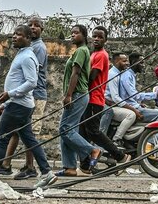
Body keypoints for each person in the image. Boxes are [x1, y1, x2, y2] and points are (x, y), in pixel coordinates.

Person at [0, 25, 57, 188]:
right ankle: (47, 172)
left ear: (27, 38)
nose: (14, 37)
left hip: (19, 105)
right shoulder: (22, 54)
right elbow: (18, 80)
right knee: (29, 139)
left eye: (18, 35)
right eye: (14, 34)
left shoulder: (27, 57)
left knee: (1, 139)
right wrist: (6, 102)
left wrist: (10, 95)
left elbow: (31, 82)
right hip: (18, 104)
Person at [2, 15, 48, 180]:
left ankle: (30, 166)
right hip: (25, 95)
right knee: (19, 131)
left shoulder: (37, 48)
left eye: (37, 25)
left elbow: (31, 79)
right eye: (31, 25)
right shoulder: (27, 48)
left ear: (41, 29)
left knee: (29, 133)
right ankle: (6, 164)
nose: (34, 27)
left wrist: (12, 94)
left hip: (34, 94)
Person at [79, 26, 131, 170]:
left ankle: (120, 156)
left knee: (93, 132)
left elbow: (91, 78)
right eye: (94, 36)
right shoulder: (93, 54)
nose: (96, 39)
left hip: (94, 99)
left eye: (100, 37)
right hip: (88, 98)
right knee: (82, 132)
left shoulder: (101, 55)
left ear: (105, 40)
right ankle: (85, 166)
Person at [56, 24, 101, 177]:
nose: (73, 35)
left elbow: (75, 73)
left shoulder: (82, 51)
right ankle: (69, 167)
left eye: (76, 33)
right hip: (77, 95)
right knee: (68, 131)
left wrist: (68, 95)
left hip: (77, 95)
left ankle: (92, 150)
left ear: (84, 35)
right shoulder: (79, 51)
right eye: (72, 33)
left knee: (64, 129)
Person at [120, 52, 158, 123]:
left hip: (134, 105)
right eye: (141, 63)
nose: (144, 65)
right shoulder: (127, 76)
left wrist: (139, 103)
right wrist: (155, 95)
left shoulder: (130, 75)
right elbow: (135, 95)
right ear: (133, 62)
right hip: (132, 108)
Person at [101, 53, 139, 141]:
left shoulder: (118, 74)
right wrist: (133, 109)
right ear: (117, 62)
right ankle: (116, 139)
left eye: (127, 61)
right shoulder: (112, 74)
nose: (127, 63)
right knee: (131, 115)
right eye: (124, 61)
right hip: (110, 105)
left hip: (114, 104)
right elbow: (115, 97)